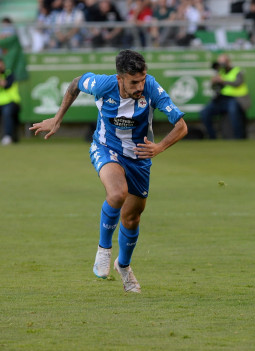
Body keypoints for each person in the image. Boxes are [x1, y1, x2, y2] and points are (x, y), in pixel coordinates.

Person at [29, 50, 188, 293]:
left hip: (139, 158)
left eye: (143, 79)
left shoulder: (151, 88)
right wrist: (57, 119)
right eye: (134, 81)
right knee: (117, 194)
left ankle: (123, 266)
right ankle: (103, 250)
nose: (140, 86)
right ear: (120, 78)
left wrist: (160, 147)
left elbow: (181, 125)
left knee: (132, 218)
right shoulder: (103, 84)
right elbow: (75, 84)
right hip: (106, 148)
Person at [201, 54, 250, 140]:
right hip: (221, 100)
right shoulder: (220, 73)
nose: (221, 65)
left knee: (234, 113)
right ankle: (212, 137)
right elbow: (215, 89)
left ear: (228, 62)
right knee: (205, 112)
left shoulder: (237, 71)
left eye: (222, 62)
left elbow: (238, 83)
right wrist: (214, 82)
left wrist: (222, 80)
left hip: (235, 99)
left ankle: (239, 138)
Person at [0, 57, 21, 145]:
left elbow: (6, 85)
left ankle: (8, 136)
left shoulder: (9, 74)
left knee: (7, 112)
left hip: (12, 102)